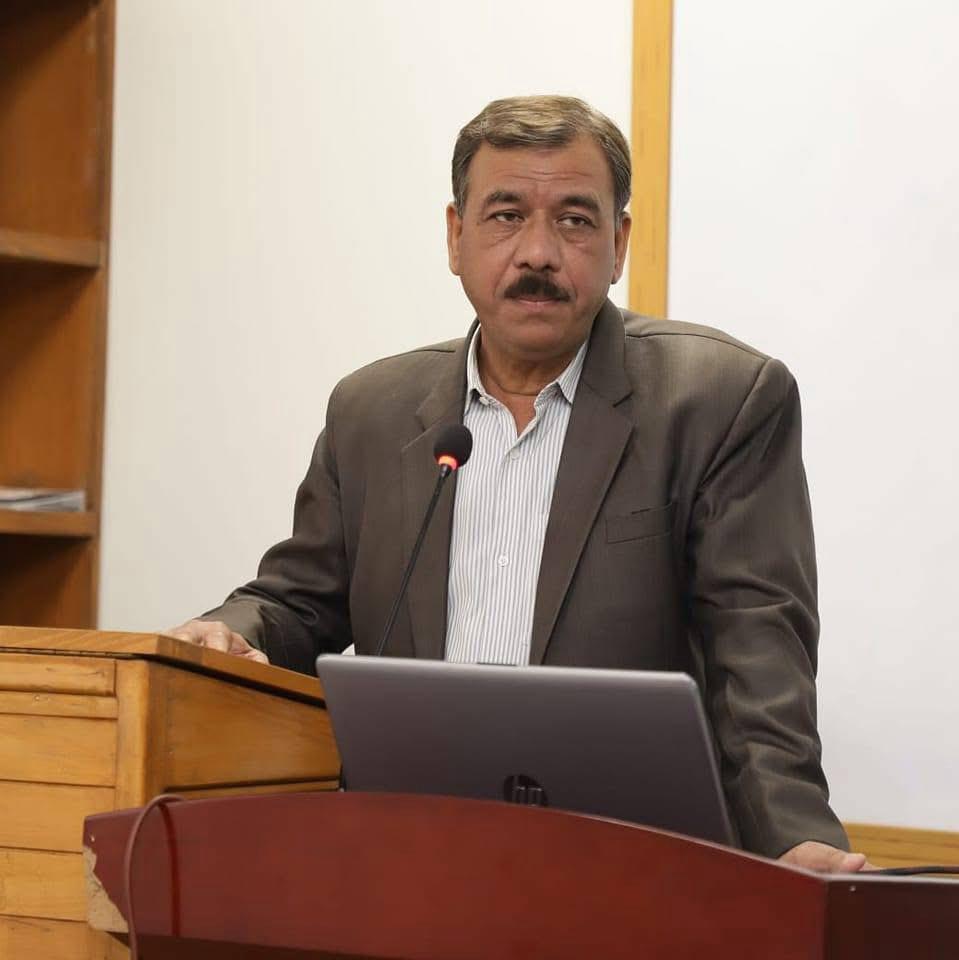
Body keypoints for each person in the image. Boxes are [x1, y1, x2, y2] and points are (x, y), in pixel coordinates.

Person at [171, 96, 866, 873]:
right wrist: (229, 630)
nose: (537, 253)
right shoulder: (371, 411)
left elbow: (757, 648)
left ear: (618, 244)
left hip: (628, 867)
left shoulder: (715, 400)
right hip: (412, 858)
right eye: (505, 216)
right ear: (455, 236)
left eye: (574, 220)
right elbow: (301, 601)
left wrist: (789, 833)